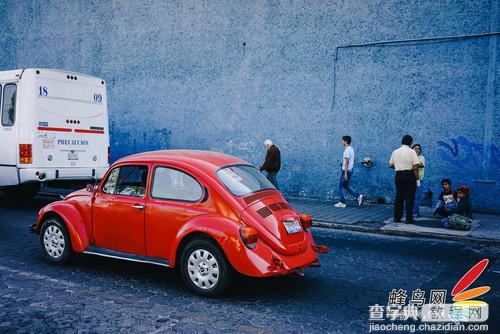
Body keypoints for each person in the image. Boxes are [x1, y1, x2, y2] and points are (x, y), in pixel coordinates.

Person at [389, 135, 420, 223]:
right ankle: (409, 218)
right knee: (410, 198)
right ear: (410, 143)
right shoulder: (412, 152)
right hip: (409, 175)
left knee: (399, 197)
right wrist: (417, 180)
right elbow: (415, 167)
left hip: (398, 175)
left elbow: (390, 165)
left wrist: (399, 166)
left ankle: (397, 217)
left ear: (402, 141)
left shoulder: (395, 152)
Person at [334, 136, 363, 208]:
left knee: (340, 186)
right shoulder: (351, 149)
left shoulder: (346, 150)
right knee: (345, 186)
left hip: (346, 171)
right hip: (350, 170)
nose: (342, 142)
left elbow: (347, 162)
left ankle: (342, 202)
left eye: (343, 141)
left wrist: (345, 173)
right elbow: (350, 160)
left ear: (345, 141)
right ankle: (358, 196)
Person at [412, 144, 426, 217]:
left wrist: (412, 164)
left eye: (418, 149)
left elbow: (421, 165)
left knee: (417, 197)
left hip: (419, 180)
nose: (417, 150)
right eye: (415, 148)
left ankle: (415, 213)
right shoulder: (409, 157)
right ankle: (411, 212)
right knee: (410, 197)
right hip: (410, 180)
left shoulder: (422, 157)